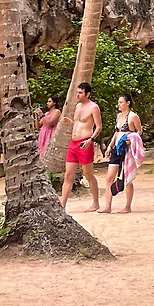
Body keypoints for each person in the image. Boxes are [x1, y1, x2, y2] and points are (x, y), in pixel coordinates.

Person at [60, 82, 101, 211]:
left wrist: (91, 140)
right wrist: (69, 122)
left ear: (87, 94)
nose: (77, 95)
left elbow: (98, 126)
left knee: (88, 174)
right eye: (77, 92)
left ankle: (95, 202)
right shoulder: (77, 106)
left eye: (80, 93)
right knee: (68, 175)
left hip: (85, 143)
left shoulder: (93, 107)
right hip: (73, 143)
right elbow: (78, 123)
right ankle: (62, 205)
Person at [101, 94, 144, 213]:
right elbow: (116, 132)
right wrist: (110, 146)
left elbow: (139, 131)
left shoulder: (133, 116)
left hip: (127, 149)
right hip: (116, 148)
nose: (118, 105)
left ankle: (127, 206)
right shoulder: (119, 116)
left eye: (121, 102)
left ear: (128, 103)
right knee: (109, 177)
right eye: (118, 102)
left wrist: (132, 140)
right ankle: (107, 206)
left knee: (128, 178)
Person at [36, 94, 60, 160]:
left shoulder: (57, 112)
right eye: (47, 102)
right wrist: (37, 116)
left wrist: (41, 115)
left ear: (54, 103)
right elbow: (38, 126)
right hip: (43, 134)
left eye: (49, 101)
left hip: (50, 133)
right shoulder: (46, 113)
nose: (47, 103)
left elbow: (50, 124)